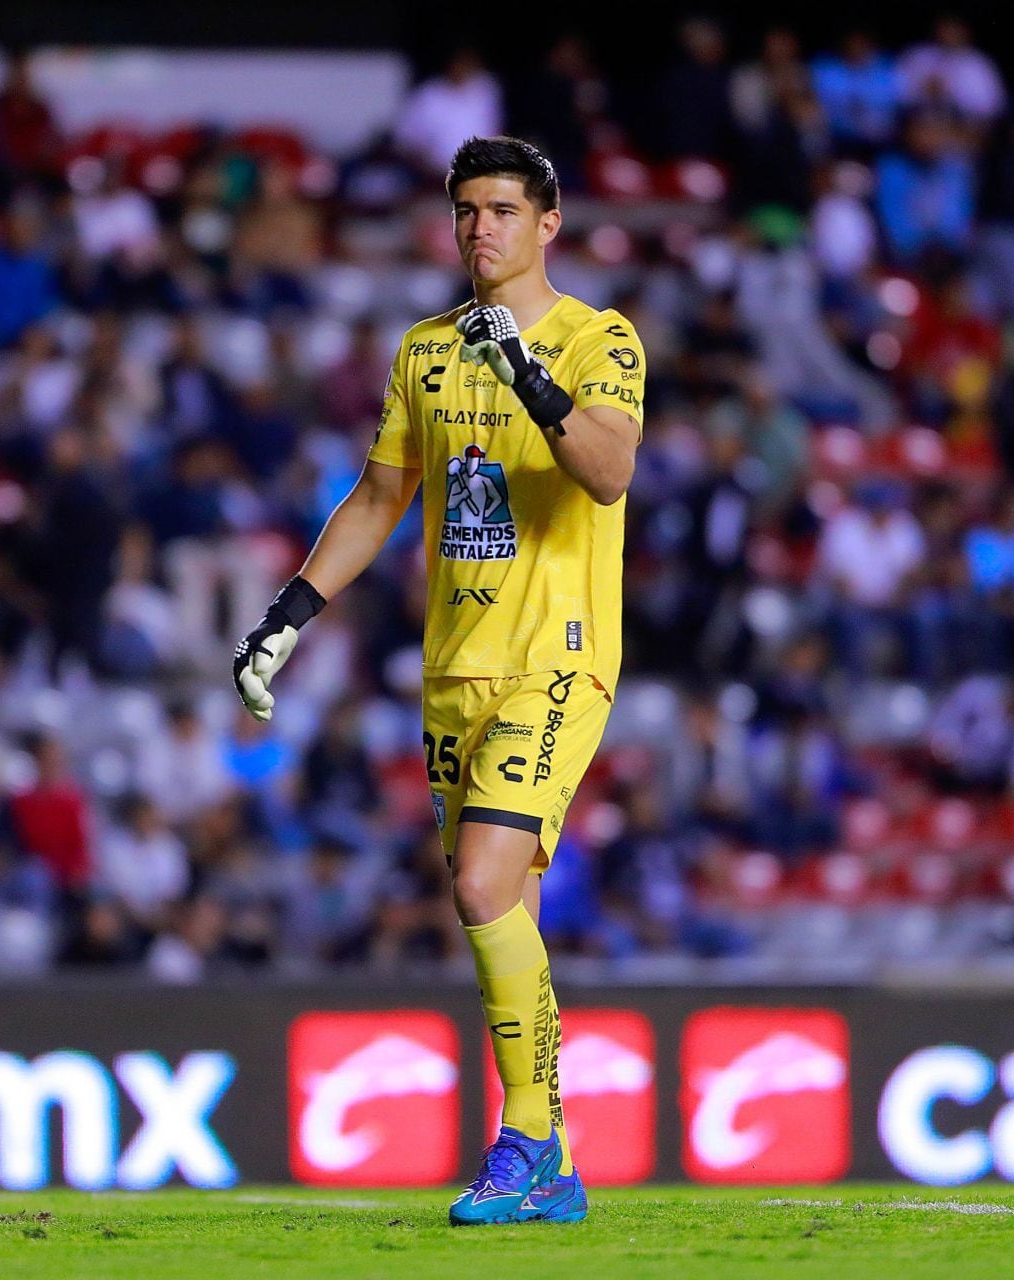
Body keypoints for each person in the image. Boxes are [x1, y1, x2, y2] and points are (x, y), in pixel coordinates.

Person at [231, 137, 643, 1225]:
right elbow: (376, 500)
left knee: (477, 884)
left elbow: (606, 472)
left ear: (547, 223)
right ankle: (550, 1160)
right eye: (467, 211)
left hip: (557, 657)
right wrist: (290, 614)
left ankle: (525, 1138)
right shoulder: (425, 351)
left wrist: (530, 376)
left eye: (503, 210)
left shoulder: (600, 339)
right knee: (505, 904)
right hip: (454, 668)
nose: (481, 230)